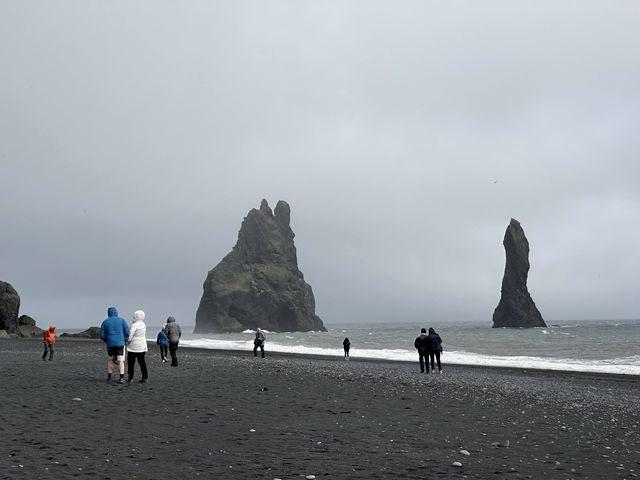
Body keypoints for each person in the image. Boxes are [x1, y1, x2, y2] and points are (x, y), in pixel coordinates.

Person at [100, 306, 130, 383]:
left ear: (108, 313)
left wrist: (107, 340)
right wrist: (125, 339)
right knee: (121, 361)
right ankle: (121, 378)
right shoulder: (121, 320)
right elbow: (127, 332)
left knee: (111, 360)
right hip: (120, 343)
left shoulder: (105, 322)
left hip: (110, 344)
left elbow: (102, 335)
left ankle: (109, 377)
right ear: (116, 312)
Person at [126, 310, 148, 383]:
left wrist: (127, 342)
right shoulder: (143, 324)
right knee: (142, 363)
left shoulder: (134, 325)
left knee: (131, 364)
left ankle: (130, 378)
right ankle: (145, 377)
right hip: (142, 346)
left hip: (133, 347)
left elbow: (130, 336)